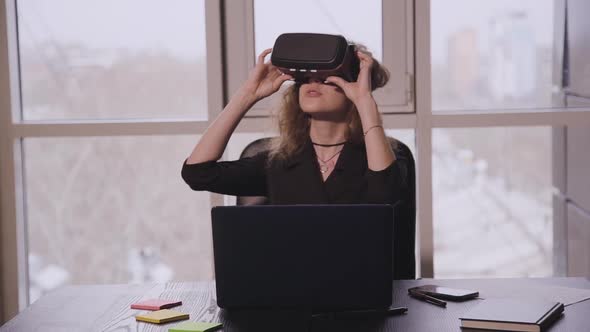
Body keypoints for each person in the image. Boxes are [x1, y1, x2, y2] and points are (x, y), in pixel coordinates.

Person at [181, 44, 410, 206]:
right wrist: (247, 94)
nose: (313, 82)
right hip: (290, 274)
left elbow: (385, 195)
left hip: (360, 274)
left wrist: (364, 101)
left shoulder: (378, 158)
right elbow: (197, 173)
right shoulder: (279, 163)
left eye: (327, 77)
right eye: (305, 78)